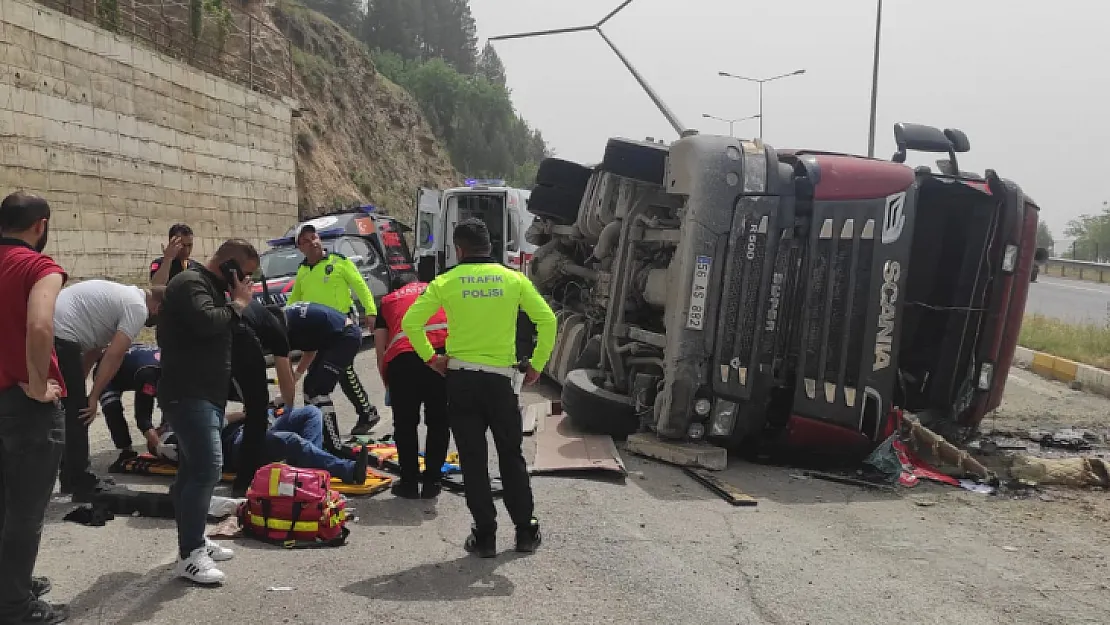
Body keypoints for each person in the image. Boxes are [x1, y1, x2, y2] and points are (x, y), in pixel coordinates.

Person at [402, 218, 557, 558]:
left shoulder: (445, 282)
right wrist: (536, 365)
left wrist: (432, 358)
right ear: (490, 246)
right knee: (510, 456)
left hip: (461, 380)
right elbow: (548, 320)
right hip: (500, 381)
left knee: (473, 459)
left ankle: (485, 535)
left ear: (459, 248)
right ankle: (525, 531)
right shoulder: (514, 279)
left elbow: (411, 323)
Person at [156, 238, 258, 586]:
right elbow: (205, 321)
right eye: (244, 275)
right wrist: (238, 305)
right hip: (188, 393)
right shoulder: (190, 283)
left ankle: (195, 541)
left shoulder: (208, 287)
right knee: (207, 470)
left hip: (205, 394)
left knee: (191, 472)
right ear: (229, 266)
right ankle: (189, 556)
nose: (246, 284)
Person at [0, 191, 69, 624]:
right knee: (24, 511)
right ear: (40, 224)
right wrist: (39, 384)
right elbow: (40, 324)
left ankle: (13, 585)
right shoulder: (40, 267)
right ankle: (15, 607)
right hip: (24, 406)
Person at [53, 280, 165, 500]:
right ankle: (78, 481)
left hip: (56, 332)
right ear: (158, 308)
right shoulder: (138, 307)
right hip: (61, 335)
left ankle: (69, 475)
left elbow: (95, 350)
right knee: (80, 413)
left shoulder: (125, 298)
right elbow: (114, 355)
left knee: (69, 406)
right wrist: (93, 397)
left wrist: (78, 385)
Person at [288, 224, 381, 435]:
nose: (313, 242)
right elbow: (294, 300)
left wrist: (371, 311)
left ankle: (366, 412)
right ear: (300, 247)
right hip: (319, 329)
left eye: (315, 237)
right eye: (306, 240)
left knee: (344, 370)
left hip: (343, 327)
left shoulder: (338, 261)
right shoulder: (303, 271)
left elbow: (360, 285)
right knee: (320, 373)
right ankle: (317, 420)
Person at [374, 276, 449, 499]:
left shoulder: (388, 301)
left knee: (405, 424)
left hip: (403, 361)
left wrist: (388, 384)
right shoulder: (437, 289)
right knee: (439, 421)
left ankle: (409, 483)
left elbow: (381, 350)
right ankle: (432, 482)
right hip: (439, 355)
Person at [227, 301, 297, 494]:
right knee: (257, 415)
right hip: (236, 341)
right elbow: (287, 385)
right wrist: (286, 411)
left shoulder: (258, 314)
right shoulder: (278, 333)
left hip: (215, 339)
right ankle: (244, 483)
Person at [282, 301, 364, 456]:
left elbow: (284, 369)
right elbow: (310, 351)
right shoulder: (290, 319)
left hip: (345, 337)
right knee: (310, 386)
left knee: (317, 391)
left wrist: (287, 405)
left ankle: (334, 445)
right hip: (334, 337)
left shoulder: (282, 329)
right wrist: (296, 378)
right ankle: (318, 440)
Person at [220, 404, 369, 485]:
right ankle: (350, 471)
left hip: (257, 425)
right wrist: (247, 414)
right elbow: (221, 422)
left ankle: (307, 465)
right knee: (292, 440)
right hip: (240, 443)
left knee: (311, 412)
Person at [94, 343, 162, 462]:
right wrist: (160, 447)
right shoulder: (149, 375)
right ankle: (125, 451)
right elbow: (143, 419)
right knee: (112, 409)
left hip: (135, 366)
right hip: (107, 374)